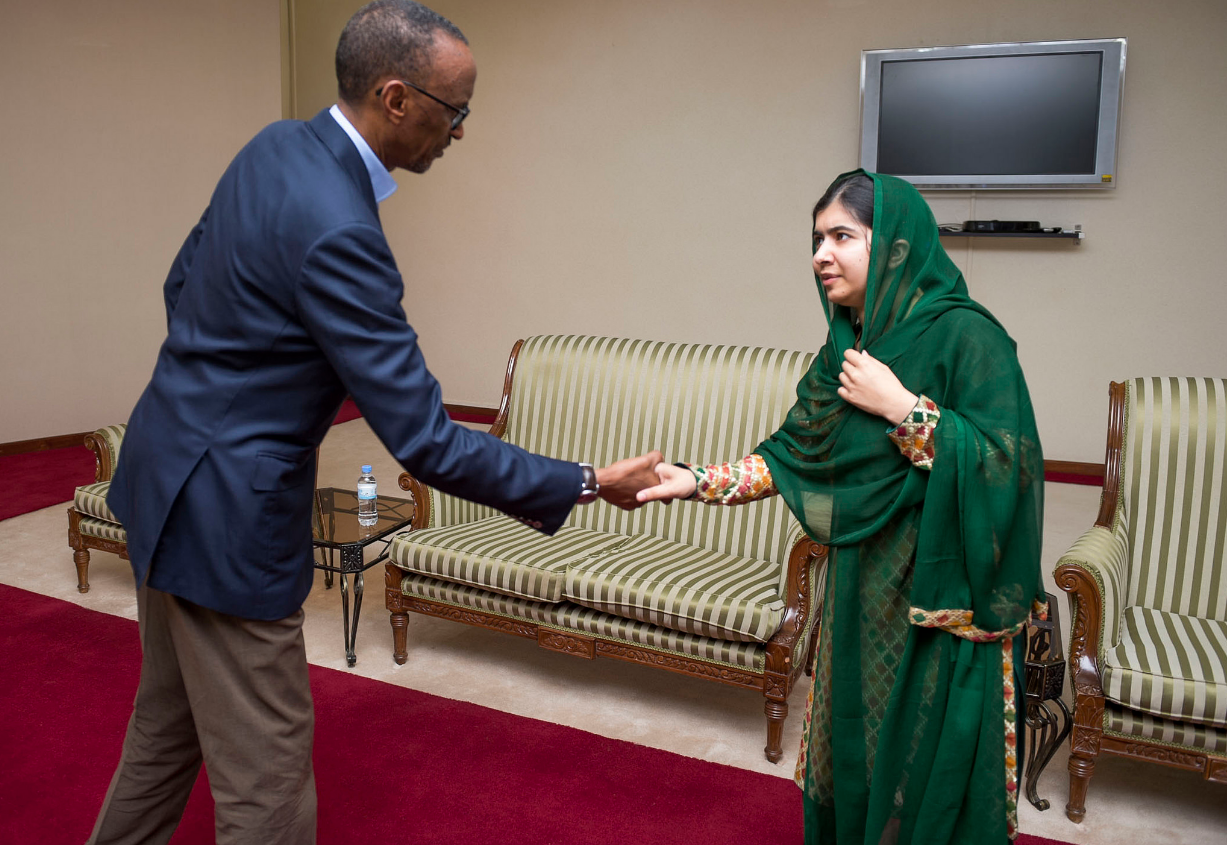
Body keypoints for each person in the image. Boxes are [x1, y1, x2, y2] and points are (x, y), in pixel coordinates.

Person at [90, 2, 660, 843]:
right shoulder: (342, 230)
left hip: (159, 472)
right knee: (268, 790)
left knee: (165, 730)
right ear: (396, 98)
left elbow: (182, 284)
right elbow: (425, 437)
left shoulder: (274, 145)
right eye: (455, 109)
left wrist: (237, 378)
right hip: (228, 520)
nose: (461, 131)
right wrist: (582, 480)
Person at [638, 170, 1046, 844]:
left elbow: (1013, 467)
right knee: (854, 757)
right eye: (815, 238)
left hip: (942, 603)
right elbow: (792, 455)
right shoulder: (842, 353)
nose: (819, 254)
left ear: (891, 246)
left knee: (926, 771)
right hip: (860, 594)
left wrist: (904, 410)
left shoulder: (968, 338)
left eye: (840, 236)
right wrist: (695, 479)